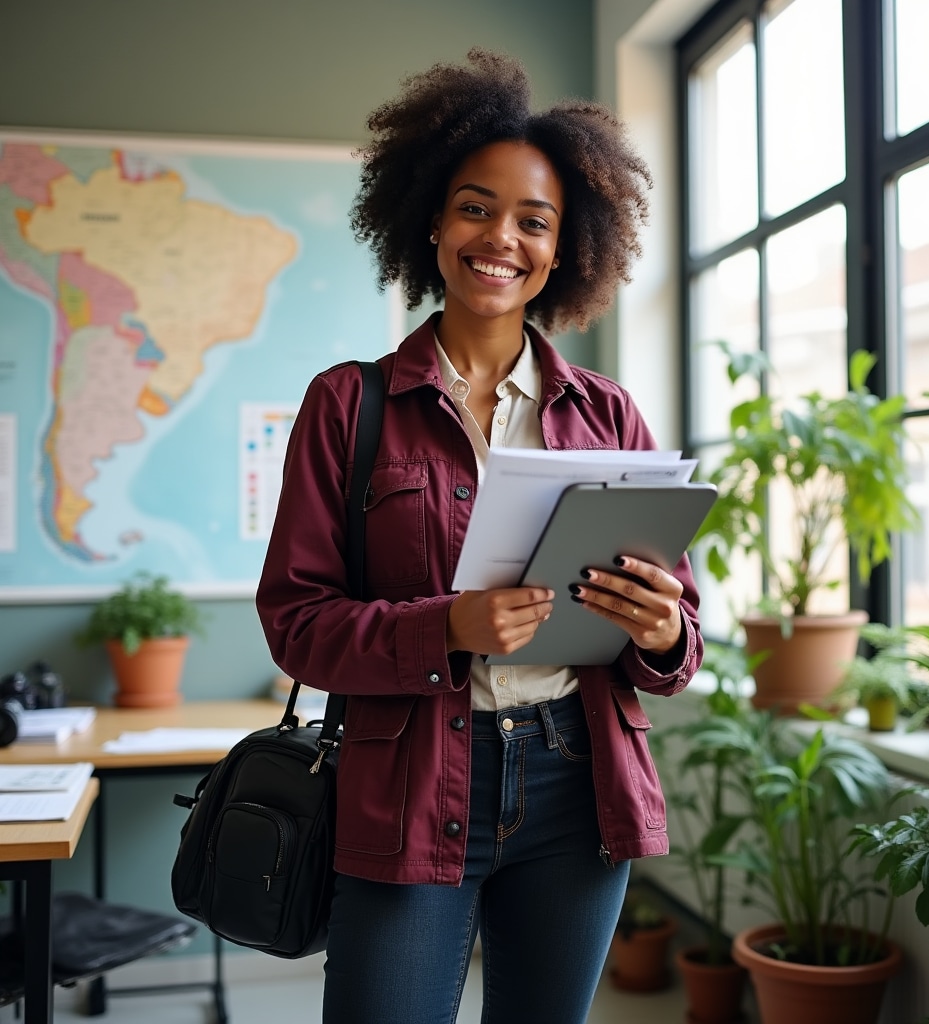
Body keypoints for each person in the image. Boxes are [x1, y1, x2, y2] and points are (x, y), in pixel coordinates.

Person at [255, 48, 704, 1024]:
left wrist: (663, 628)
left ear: (562, 249)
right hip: (409, 775)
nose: (502, 236)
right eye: (475, 206)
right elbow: (296, 624)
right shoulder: (348, 403)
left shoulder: (608, 413)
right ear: (428, 217)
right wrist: (447, 625)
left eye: (533, 221)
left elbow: (679, 641)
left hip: (576, 779)